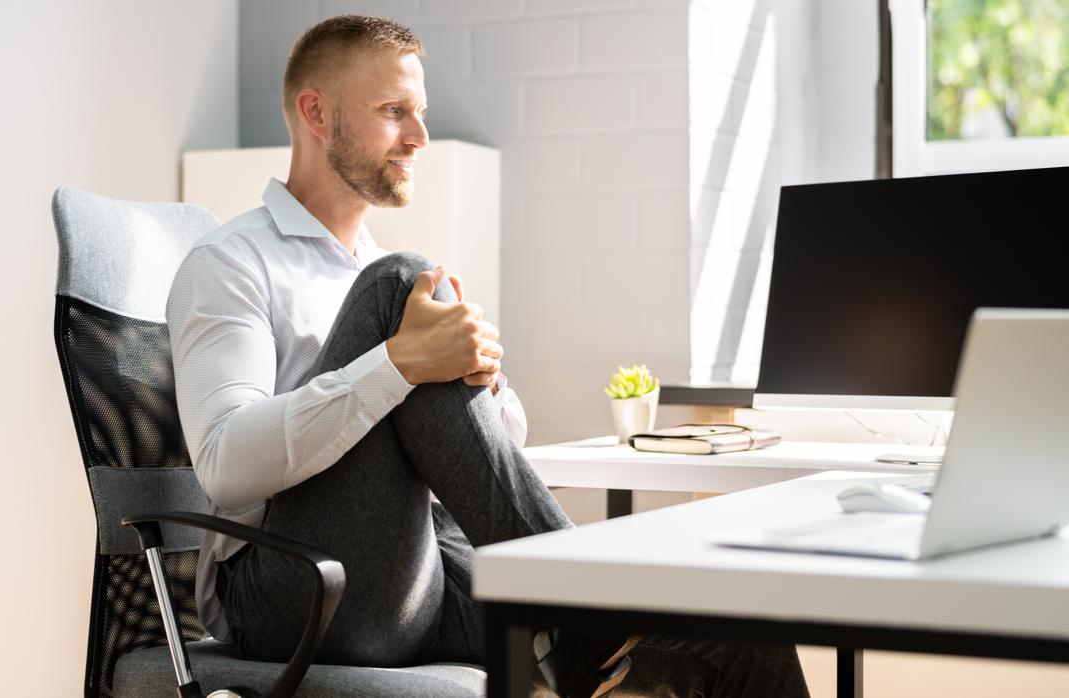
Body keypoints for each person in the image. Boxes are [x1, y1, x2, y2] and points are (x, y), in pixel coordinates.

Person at [166, 14, 810, 698]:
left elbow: (483, 451)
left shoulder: (389, 276)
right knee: (402, 286)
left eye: (418, 112)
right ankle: (581, 597)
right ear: (316, 112)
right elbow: (226, 467)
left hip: (422, 575)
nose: (418, 136)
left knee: (731, 631)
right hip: (292, 593)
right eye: (392, 112)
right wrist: (399, 364)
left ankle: (583, 606)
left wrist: (484, 382)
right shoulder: (233, 262)